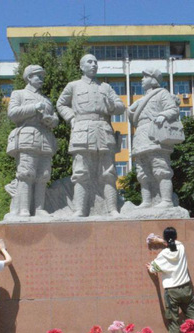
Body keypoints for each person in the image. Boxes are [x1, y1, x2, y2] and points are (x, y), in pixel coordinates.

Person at [56, 54, 126, 217]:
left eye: (95, 62)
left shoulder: (105, 87)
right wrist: (71, 118)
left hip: (103, 130)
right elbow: (61, 103)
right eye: (90, 62)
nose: (94, 64)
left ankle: (112, 209)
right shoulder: (73, 86)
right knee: (80, 172)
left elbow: (120, 106)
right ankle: (80, 209)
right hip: (82, 130)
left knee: (108, 172)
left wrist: (111, 106)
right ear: (81, 66)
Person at [4, 64, 59, 218]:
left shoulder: (46, 100)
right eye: (38, 76)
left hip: (45, 139)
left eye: (42, 76)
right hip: (27, 136)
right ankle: (24, 209)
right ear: (29, 77)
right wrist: (34, 107)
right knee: (26, 174)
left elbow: (55, 119)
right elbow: (12, 113)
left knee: (43, 175)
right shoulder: (19, 94)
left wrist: (51, 120)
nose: (41, 79)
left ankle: (39, 208)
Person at [128, 68, 181, 208]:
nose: (142, 79)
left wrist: (163, 115)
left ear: (153, 79)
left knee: (161, 168)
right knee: (142, 171)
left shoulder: (162, 93)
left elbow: (173, 109)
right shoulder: (141, 100)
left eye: (145, 77)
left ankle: (166, 200)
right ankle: (147, 201)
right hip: (140, 135)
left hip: (156, 134)